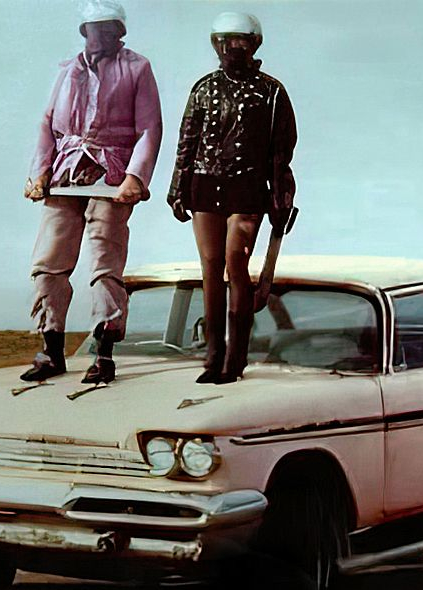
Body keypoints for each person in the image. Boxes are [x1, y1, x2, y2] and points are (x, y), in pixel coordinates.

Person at [21, 0, 162, 384]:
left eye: (108, 28)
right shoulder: (67, 70)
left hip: (111, 175)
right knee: (49, 259)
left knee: (104, 261)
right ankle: (50, 351)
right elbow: (47, 124)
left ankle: (103, 354)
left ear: (120, 32)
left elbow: (149, 128)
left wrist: (136, 177)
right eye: (94, 28)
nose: (101, 35)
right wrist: (39, 173)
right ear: (84, 32)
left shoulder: (137, 68)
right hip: (65, 175)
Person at [168, 12, 297, 384]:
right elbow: (187, 140)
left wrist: (281, 194)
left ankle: (235, 358)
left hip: (248, 187)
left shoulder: (272, 92)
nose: (232, 48)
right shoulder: (203, 88)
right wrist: (177, 187)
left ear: (254, 43)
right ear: (215, 44)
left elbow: (282, 150)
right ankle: (213, 357)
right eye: (225, 41)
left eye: (240, 41)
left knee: (235, 264)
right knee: (210, 267)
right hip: (204, 183)